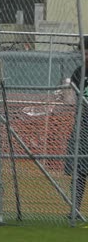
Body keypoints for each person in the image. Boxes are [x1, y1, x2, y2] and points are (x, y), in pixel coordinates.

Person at [65, 35, 88, 220]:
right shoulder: (80, 72)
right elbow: (71, 97)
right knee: (80, 170)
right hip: (83, 125)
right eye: (84, 52)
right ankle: (75, 209)